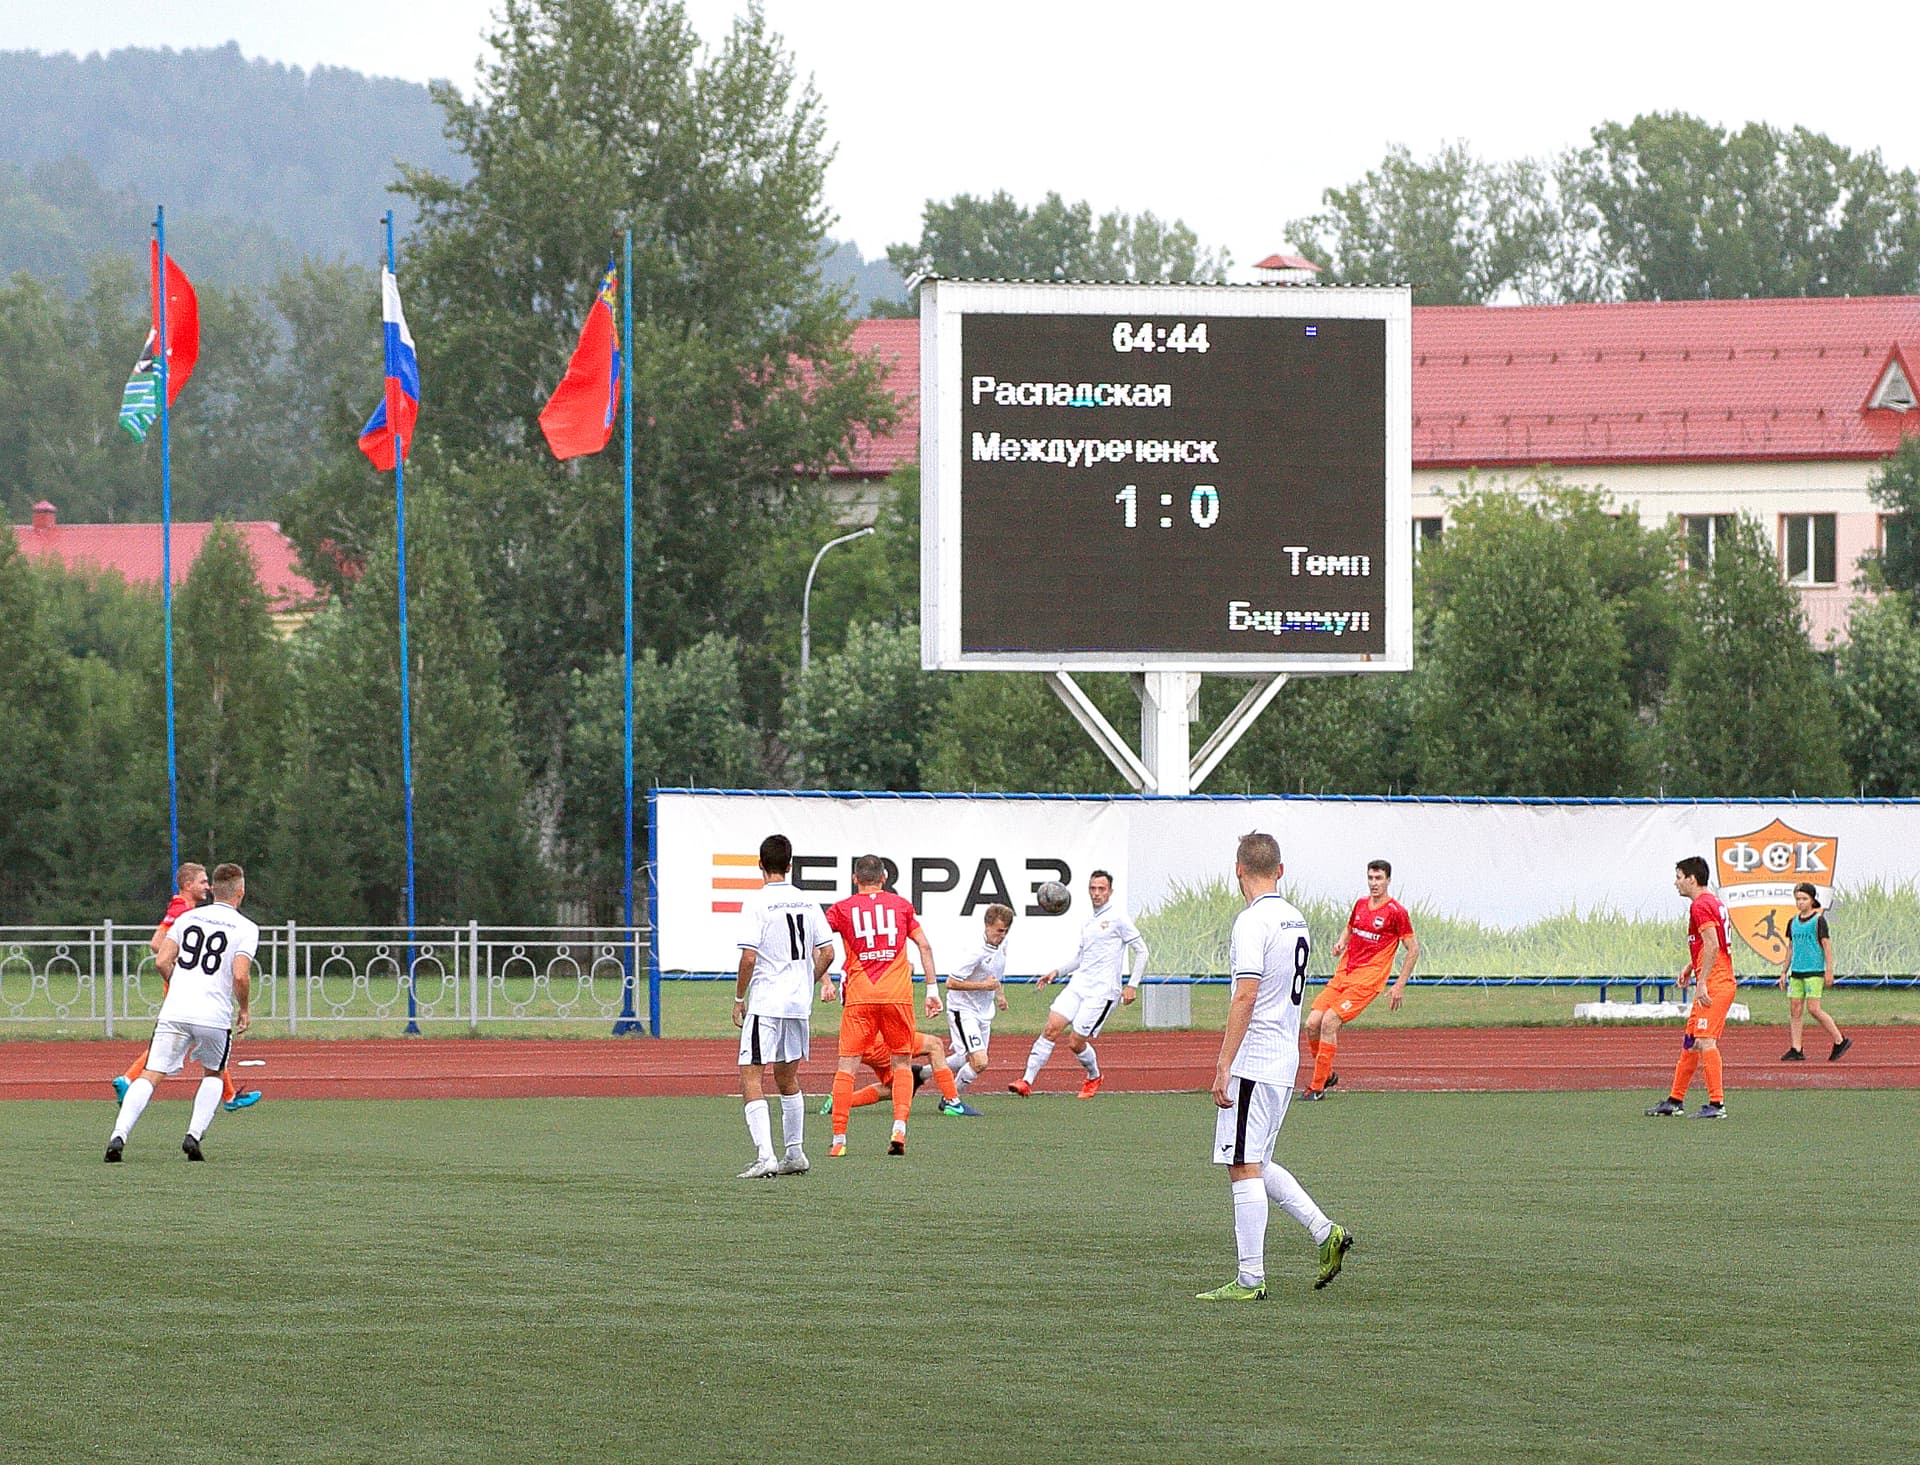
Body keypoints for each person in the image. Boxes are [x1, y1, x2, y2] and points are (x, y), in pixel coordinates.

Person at [1197, 832, 1352, 1300]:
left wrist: (1224, 1064)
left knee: (1242, 1166)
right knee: (1258, 1162)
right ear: (1280, 871)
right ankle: (1326, 1232)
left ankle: (1250, 1280)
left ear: (1238, 869)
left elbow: (1246, 993)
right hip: (1284, 1058)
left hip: (1256, 1058)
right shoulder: (1295, 919)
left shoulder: (1252, 921)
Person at [105, 862, 257, 1162]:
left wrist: (179, 986)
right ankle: (193, 1136)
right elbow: (240, 976)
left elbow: (162, 960)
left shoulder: (189, 917)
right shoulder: (247, 928)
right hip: (213, 1015)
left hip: (176, 1010)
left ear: (213, 889)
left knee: (150, 1074)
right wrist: (244, 1009)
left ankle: (118, 1136)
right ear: (240, 892)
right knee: (213, 1073)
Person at [825, 855, 942, 1157]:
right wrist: (932, 990)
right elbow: (925, 945)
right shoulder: (901, 906)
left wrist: (825, 980)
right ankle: (899, 1128)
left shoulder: (841, 909)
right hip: (897, 996)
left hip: (861, 996)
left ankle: (839, 1138)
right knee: (901, 1063)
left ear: (855, 879)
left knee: (846, 1067)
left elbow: (818, 943)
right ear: (885, 877)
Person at [733, 834, 834, 1179]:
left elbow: (748, 957)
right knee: (787, 1077)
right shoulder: (808, 902)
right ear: (790, 866)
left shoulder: (757, 903)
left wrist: (737, 998)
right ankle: (795, 1153)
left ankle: (766, 1157)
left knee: (751, 1075)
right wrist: (808, 983)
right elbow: (828, 952)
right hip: (796, 1004)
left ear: (760, 865)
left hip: (767, 1002)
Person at [1009, 871, 1145, 1098]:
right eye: (1093, 888)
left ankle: (1094, 1076)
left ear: (1110, 892)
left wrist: (1132, 985)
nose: (1096, 893)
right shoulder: (1088, 921)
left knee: (1075, 1042)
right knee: (1051, 1028)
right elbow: (1081, 958)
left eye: (1101, 889)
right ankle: (1026, 1081)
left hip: (1103, 991)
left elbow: (1142, 950)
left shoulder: (1118, 918)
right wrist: (1056, 972)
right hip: (1079, 984)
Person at [1299, 859, 1419, 1100]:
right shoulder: (1361, 904)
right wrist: (1342, 941)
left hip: (1367, 980)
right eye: (1371, 878)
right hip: (1343, 975)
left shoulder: (1397, 912)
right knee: (1312, 1023)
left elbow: (1413, 949)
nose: (1374, 883)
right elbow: (1350, 927)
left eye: (1379, 879)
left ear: (1388, 881)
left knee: (1329, 1022)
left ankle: (1317, 1087)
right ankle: (1327, 1073)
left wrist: (1399, 985)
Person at [1647, 856, 1736, 1119]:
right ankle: (1675, 1100)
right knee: (1690, 1041)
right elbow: (1710, 942)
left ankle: (1717, 1104)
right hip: (1714, 979)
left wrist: (1703, 982)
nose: (1676, 882)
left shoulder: (1701, 905)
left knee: (1705, 1040)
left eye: (1678, 876)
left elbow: (1712, 945)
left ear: (1692, 879)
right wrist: (1690, 967)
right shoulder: (1712, 901)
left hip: (1717, 983)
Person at [1778, 882, 1851, 1063]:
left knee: (1813, 1009)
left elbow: (1826, 945)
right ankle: (1796, 1048)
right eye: (1798, 899)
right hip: (1797, 972)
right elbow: (1790, 948)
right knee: (1795, 1009)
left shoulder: (1818, 921)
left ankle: (1839, 1039)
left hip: (1814, 972)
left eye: (1804, 899)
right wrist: (1783, 971)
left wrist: (1829, 970)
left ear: (1812, 900)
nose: (1800, 902)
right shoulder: (1792, 922)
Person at [945, 904, 1012, 1095]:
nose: (1002, 936)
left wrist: (1000, 996)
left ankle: (921, 1074)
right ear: (987, 926)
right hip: (963, 1009)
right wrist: (984, 986)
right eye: (999, 931)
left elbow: (995, 974)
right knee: (980, 1060)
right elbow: (951, 982)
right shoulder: (976, 951)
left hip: (984, 1011)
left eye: (1006, 931)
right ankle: (950, 1100)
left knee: (964, 1060)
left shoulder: (1002, 945)